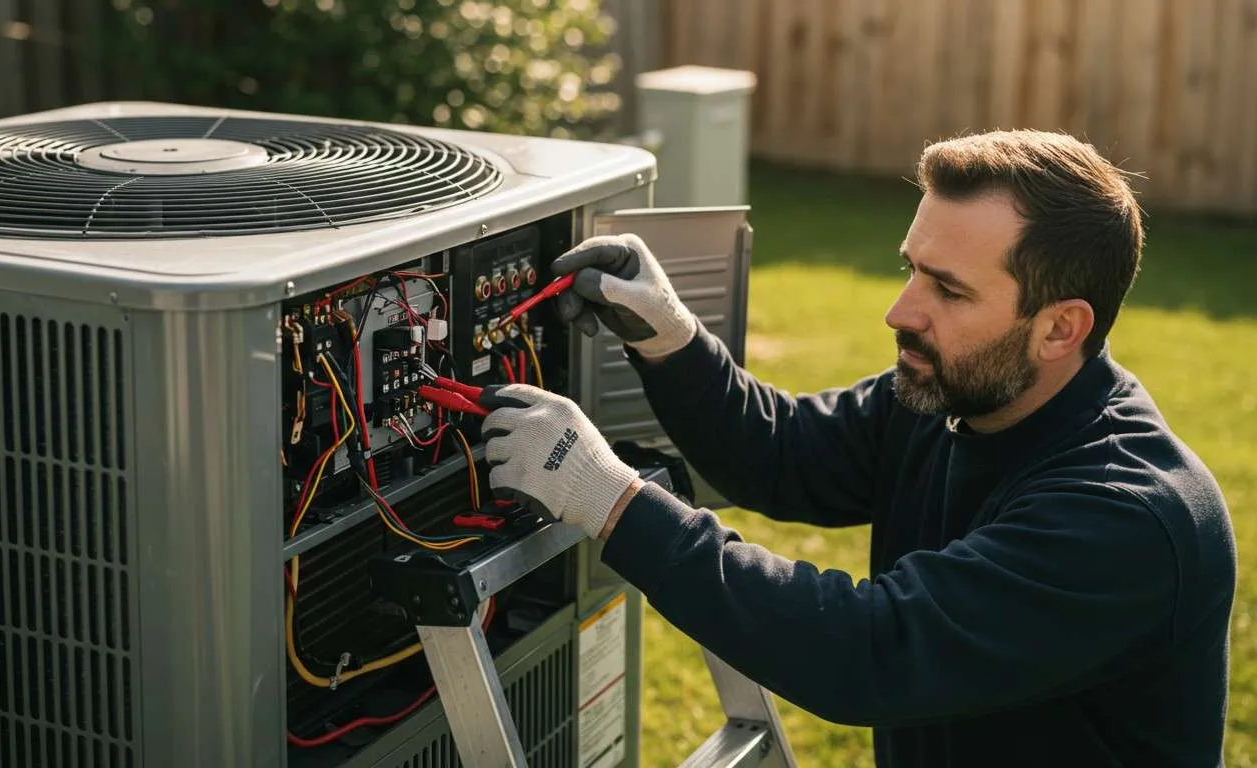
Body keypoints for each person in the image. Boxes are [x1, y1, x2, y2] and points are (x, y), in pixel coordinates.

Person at [476, 130, 1237, 767]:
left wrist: (610, 500)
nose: (900, 311)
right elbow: (783, 454)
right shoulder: (953, 397)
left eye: (949, 289)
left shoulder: (1127, 520)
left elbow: (868, 649)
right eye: (911, 269)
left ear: (1061, 328)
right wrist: (672, 339)